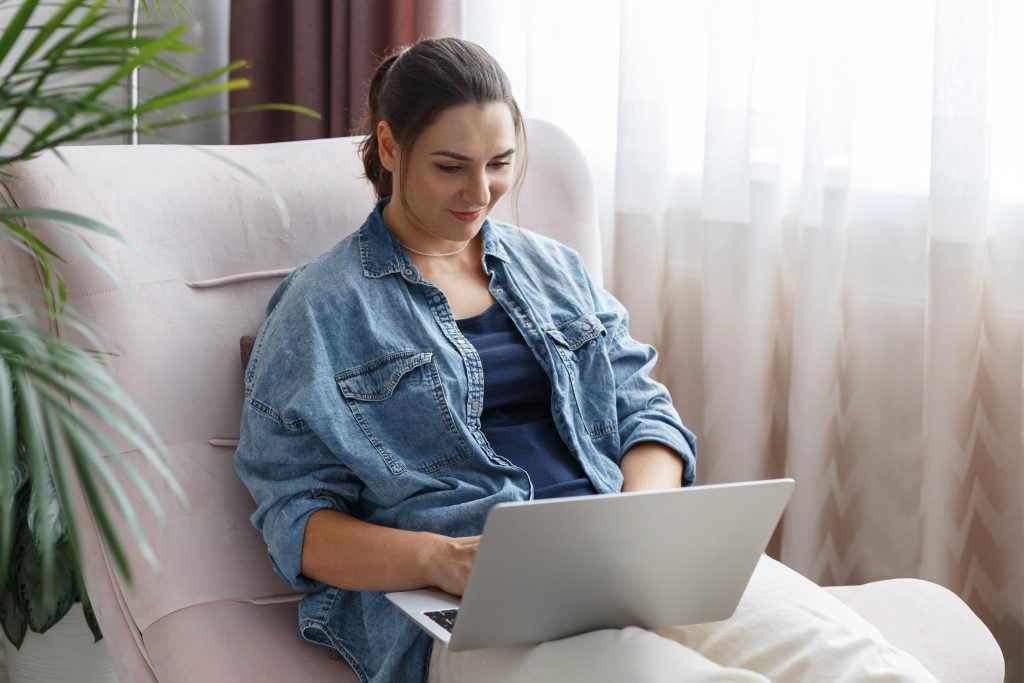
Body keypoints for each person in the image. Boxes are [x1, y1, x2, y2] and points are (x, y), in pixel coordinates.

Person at [234, 37, 937, 683]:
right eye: (451, 167)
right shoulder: (320, 308)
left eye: (501, 164)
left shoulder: (553, 269)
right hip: (468, 605)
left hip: (625, 558)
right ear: (389, 146)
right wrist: (437, 559)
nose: (480, 195)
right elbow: (296, 517)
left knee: (871, 667)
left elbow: (645, 414)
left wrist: (640, 528)